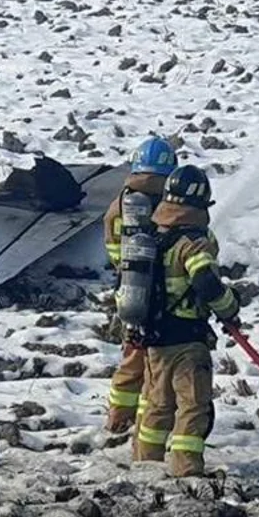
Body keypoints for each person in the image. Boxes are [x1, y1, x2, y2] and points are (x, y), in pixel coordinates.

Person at [133, 164, 241, 477]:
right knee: (193, 405)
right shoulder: (194, 242)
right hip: (186, 339)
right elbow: (206, 282)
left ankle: (145, 467)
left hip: (154, 337)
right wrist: (230, 307)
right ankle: (186, 469)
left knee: (157, 404)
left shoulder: (154, 234)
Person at [103, 136, 178, 434]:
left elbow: (113, 249)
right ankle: (148, 424)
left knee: (132, 355)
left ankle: (118, 417)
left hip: (130, 290)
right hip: (164, 294)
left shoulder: (120, 204)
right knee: (154, 361)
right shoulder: (171, 202)